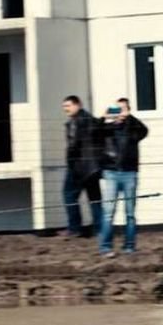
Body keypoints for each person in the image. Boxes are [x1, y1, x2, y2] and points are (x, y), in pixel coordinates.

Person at [98, 98, 149, 257]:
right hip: (111, 173)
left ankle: (129, 246)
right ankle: (105, 247)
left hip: (129, 174)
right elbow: (93, 132)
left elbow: (144, 131)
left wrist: (130, 117)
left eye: (123, 109)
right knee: (108, 213)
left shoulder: (133, 129)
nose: (119, 112)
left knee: (130, 214)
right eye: (117, 109)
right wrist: (104, 117)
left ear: (128, 110)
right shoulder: (108, 128)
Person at [61, 95, 103, 237]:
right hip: (92, 167)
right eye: (64, 106)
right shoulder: (91, 119)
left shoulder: (76, 122)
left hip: (78, 166)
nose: (65, 109)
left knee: (69, 195)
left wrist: (70, 162)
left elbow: (73, 145)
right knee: (95, 199)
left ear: (77, 105)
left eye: (68, 106)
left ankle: (74, 228)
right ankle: (100, 229)